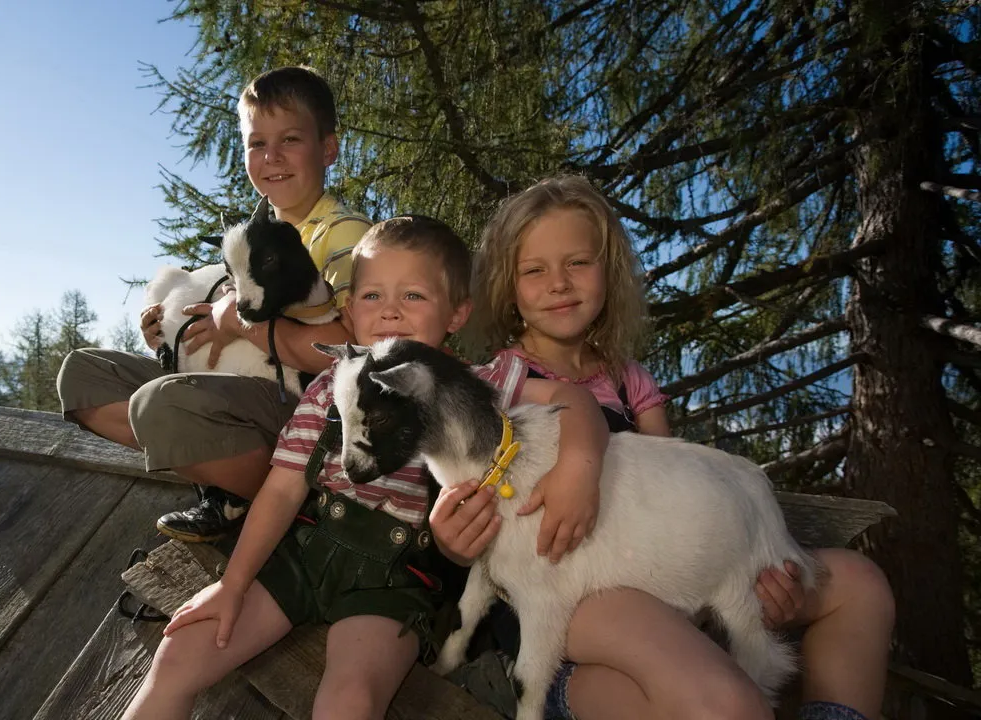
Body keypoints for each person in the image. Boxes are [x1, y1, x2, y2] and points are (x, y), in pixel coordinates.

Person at [432, 175, 896, 720]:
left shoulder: (630, 384)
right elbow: (466, 506)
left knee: (860, 586)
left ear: (610, 271)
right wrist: (455, 542)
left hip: (657, 581)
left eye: (577, 263)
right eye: (534, 270)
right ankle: (548, 690)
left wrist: (765, 575)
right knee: (726, 703)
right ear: (507, 289)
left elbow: (675, 488)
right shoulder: (495, 384)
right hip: (571, 601)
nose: (558, 283)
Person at [122, 215, 610, 720]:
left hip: (393, 583)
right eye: (373, 296)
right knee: (177, 654)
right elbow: (284, 488)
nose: (391, 311)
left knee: (350, 701)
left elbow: (570, 397)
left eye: (414, 297)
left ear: (457, 313)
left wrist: (579, 466)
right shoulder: (330, 383)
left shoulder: (468, 385)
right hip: (305, 553)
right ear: (350, 309)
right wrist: (234, 583)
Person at [57, 66, 372, 542]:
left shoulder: (345, 236)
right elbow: (222, 315)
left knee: (158, 407)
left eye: (289, 139)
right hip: (236, 392)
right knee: (82, 376)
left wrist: (241, 326)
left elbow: (357, 351)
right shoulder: (255, 230)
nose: (271, 157)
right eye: (256, 143)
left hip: (303, 410)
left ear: (327, 148)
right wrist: (171, 335)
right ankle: (230, 488)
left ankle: (289, 501)